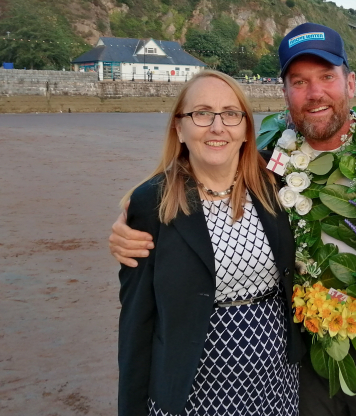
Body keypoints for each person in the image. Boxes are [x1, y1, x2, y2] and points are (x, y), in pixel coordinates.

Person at [111, 24, 356, 416]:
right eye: (300, 81)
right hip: (301, 351)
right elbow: (204, 171)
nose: (315, 92)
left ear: (350, 83)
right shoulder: (270, 153)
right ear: (285, 91)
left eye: (327, 77)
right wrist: (128, 223)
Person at [117, 70, 304, 416]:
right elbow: (136, 322)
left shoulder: (273, 187)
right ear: (179, 126)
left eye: (231, 114)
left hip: (275, 385)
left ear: (246, 129)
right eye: (202, 113)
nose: (218, 127)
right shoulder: (152, 204)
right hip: (195, 392)